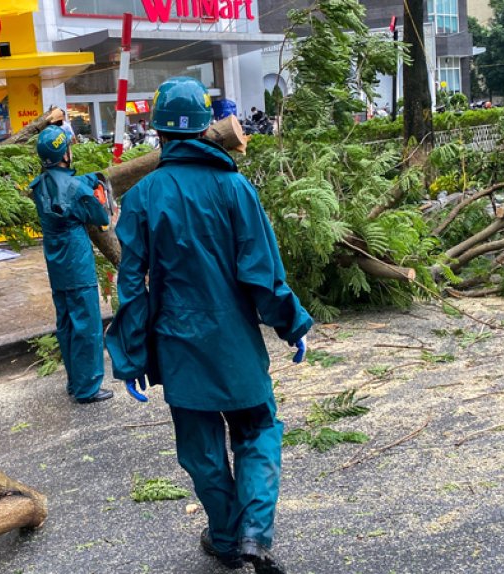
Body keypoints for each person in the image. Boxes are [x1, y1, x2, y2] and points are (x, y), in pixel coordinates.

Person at [105, 77, 313, 574]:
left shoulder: (142, 197)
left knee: (202, 453)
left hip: (179, 348)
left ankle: (223, 538)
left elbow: (131, 287)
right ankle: (254, 535)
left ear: (157, 134)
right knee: (258, 429)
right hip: (236, 342)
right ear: (206, 128)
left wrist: (130, 356)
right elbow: (262, 273)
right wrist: (292, 324)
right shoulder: (236, 187)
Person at [30, 126, 115, 404]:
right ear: (64, 153)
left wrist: (89, 180)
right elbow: (101, 216)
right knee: (87, 327)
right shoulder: (78, 190)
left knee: (66, 324)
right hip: (78, 264)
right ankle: (88, 387)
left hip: (57, 266)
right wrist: (100, 196)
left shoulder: (39, 185)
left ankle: (74, 381)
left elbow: (63, 186)